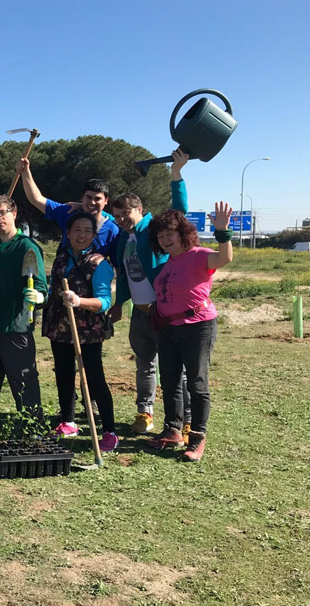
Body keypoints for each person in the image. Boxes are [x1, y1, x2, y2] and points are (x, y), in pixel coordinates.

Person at [108, 149, 191, 434]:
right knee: (145, 366)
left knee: (174, 369)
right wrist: (119, 303)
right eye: (117, 216)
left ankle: (185, 418)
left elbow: (179, 213)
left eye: (126, 214)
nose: (121, 219)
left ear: (139, 210)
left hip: (164, 312)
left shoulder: (154, 229)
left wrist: (176, 175)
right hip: (139, 314)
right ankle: (145, 413)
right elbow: (124, 273)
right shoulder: (123, 237)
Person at [145, 202, 234, 462]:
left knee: (197, 382)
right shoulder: (168, 262)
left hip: (198, 327)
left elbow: (225, 258)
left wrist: (223, 232)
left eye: (169, 234)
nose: (164, 240)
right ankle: (172, 430)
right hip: (168, 328)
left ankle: (196, 437)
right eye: (160, 236)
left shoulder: (199, 254)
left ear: (182, 233)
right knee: (170, 381)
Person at [0, 195, 47, 439]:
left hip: (17, 324)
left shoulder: (27, 247)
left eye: (2, 212)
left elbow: (42, 286)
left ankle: (32, 426)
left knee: (23, 377)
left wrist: (38, 297)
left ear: (14, 214)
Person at [43, 212, 118, 452]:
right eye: (77, 230)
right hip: (60, 327)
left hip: (88, 330)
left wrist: (79, 301)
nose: (81, 235)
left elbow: (105, 302)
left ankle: (109, 430)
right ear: (68, 233)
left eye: (87, 230)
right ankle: (68, 421)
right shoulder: (61, 258)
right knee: (64, 374)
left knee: (95, 379)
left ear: (94, 235)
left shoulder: (99, 264)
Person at [17, 158, 119, 259]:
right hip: (62, 274)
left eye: (97, 199)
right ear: (82, 198)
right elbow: (36, 199)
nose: (92, 202)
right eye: (88, 197)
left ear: (106, 201)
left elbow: (118, 265)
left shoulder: (113, 228)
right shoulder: (69, 213)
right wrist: (26, 171)